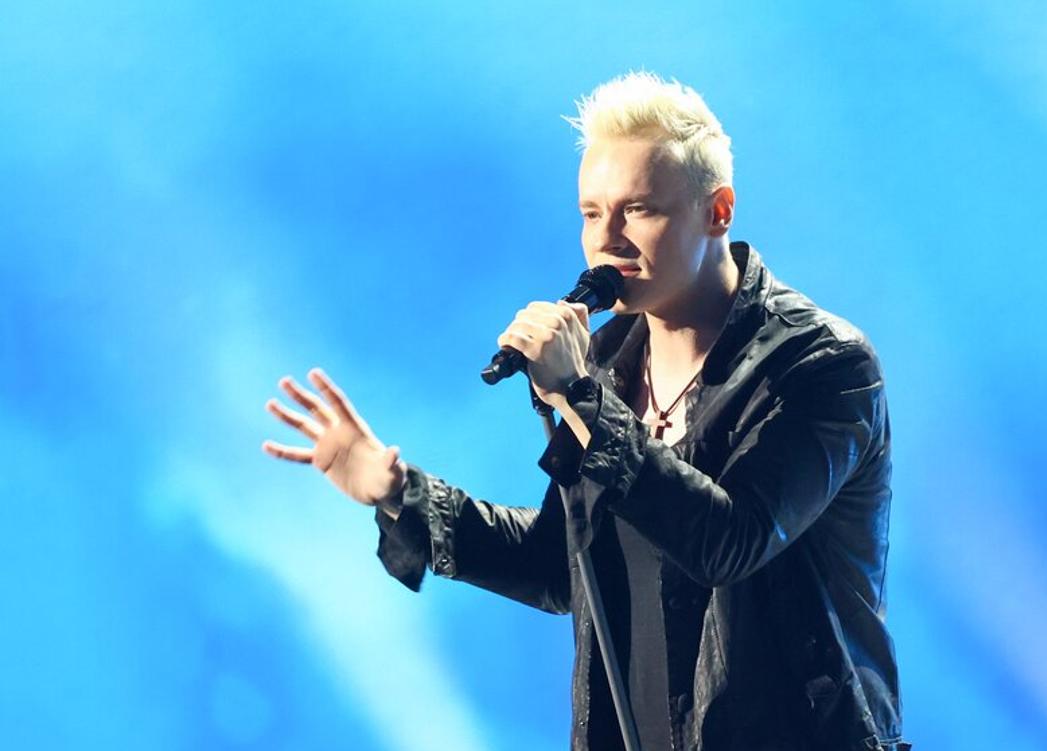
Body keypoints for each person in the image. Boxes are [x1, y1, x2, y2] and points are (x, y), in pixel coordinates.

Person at [262, 71, 908, 751]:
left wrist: (581, 397)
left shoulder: (821, 365)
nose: (608, 240)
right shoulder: (609, 362)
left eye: (639, 210)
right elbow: (560, 563)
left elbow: (730, 540)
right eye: (592, 213)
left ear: (718, 211)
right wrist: (402, 493)